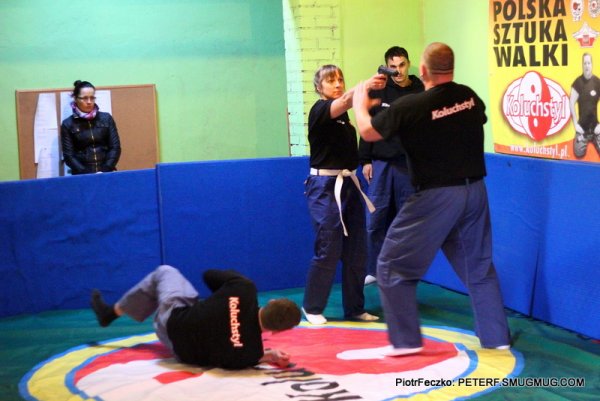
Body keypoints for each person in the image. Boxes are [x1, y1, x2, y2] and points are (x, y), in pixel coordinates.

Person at [352, 42, 511, 355]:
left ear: (422, 70)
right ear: (451, 67)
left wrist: (359, 102)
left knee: (391, 265)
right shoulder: (468, 96)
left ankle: (406, 341)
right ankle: (496, 337)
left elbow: (368, 133)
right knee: (478, 268)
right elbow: (475, 119)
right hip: (475, 192)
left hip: (436, 195)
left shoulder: (413, 105)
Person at [90, 265, 301, 369]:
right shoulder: (251, 353)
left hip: (171, 319)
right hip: (178, 351)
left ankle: (111, 313)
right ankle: (111, 313)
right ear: (276, 331)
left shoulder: (244, 289)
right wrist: (271, 355)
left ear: (271, 302)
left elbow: (208, 275)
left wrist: (227, 300)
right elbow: (243, 357)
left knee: (165, 271)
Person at [302, 64, 386, 325]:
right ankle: (312, 306)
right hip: (324, 187)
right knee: (329, 246)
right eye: (331, 80)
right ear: (319, 87)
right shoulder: (320, 110)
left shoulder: (345, 118)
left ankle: (355, 308)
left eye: (340, 79)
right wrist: (366, 86)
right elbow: (346, 100)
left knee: (357, 251)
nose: (337, 84)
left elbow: (349, 104)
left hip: (349, 183)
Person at [359, 46, 424, 286]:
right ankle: (374, 269)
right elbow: (366, 124)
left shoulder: (420, 90)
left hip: (409, 164)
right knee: (375, 220)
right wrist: (365, 160)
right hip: (381, 164)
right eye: (393, 66)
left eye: (402, 65)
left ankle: (403, 269)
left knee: (407, 221)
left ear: (408, 64)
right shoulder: (378, 89)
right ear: (387, 67)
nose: (398, 71)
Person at [61, 80, 121, 175]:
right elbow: (69, 156)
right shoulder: (67, 124)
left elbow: (115, 147)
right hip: (82, 175)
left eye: (92, 98)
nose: (89, 102)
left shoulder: (106, 118)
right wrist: (87, 174)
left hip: (107, 172)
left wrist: (105, 169)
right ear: (76, 99)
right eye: (85, 98)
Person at [569, 52, 600, 158]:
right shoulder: (577, 83)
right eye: (585, 63)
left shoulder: (597, 82)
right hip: (582, 128)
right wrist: (575, 125)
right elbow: (571, 103)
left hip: (596, 127)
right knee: (578, 153)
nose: (587, 65)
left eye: (588, 63)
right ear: (582, 65)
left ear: (592, 64)